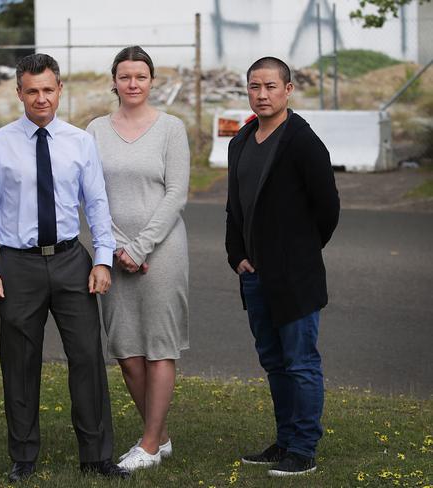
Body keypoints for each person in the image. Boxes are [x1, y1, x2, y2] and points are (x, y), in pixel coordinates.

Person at [0, 53, 129, 482]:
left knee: (87, 358)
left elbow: (97, 206)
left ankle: (96, 455)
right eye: (32, 91)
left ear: (60, 90)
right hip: (18, 267)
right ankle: (23, 456)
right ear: (19, 93)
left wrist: (100, 260)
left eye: (48, 89)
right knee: (20, 362)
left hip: (70, 261)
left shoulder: (80, 142)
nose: (41, 98)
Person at [225, 56, 340, 477]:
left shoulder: (303, 141)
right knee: (274, 364)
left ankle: (304, 449)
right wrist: (236, 254)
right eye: (255, 86)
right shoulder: (241, 141)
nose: (262, 94)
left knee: (301, 363)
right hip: (254, 276)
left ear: (288, 90)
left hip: (295, 277)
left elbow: (328, 207)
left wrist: (301, 253)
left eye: (271, 86)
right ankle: (285, 441)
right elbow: (234, 207)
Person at [86, 46, 190, 472]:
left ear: (151, 82)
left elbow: (176, 194)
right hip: (112, 252)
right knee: (127, 351)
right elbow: (89, 194)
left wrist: (141, 246)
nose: (133, 84)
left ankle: (148, 444)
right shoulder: (93, 130)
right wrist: (114, 246)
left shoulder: (171, 129)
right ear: (114, 81)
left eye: (141, 77)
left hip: (162, 251)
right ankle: (160, 435)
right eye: (125, 77)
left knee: (159, 346)